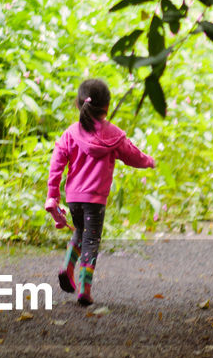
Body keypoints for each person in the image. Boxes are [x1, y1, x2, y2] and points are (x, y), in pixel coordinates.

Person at [45, 78, 156, 306]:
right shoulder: (113, 135)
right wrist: (149, 162)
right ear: (106, 107)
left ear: (79, 104)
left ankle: (68, 264)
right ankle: (84, 288)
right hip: (95, 201)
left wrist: (52, 193)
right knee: (91, 239)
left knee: (79, 233)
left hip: (74, 198)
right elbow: (132, 155)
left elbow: (57, 162)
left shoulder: (71, 133)